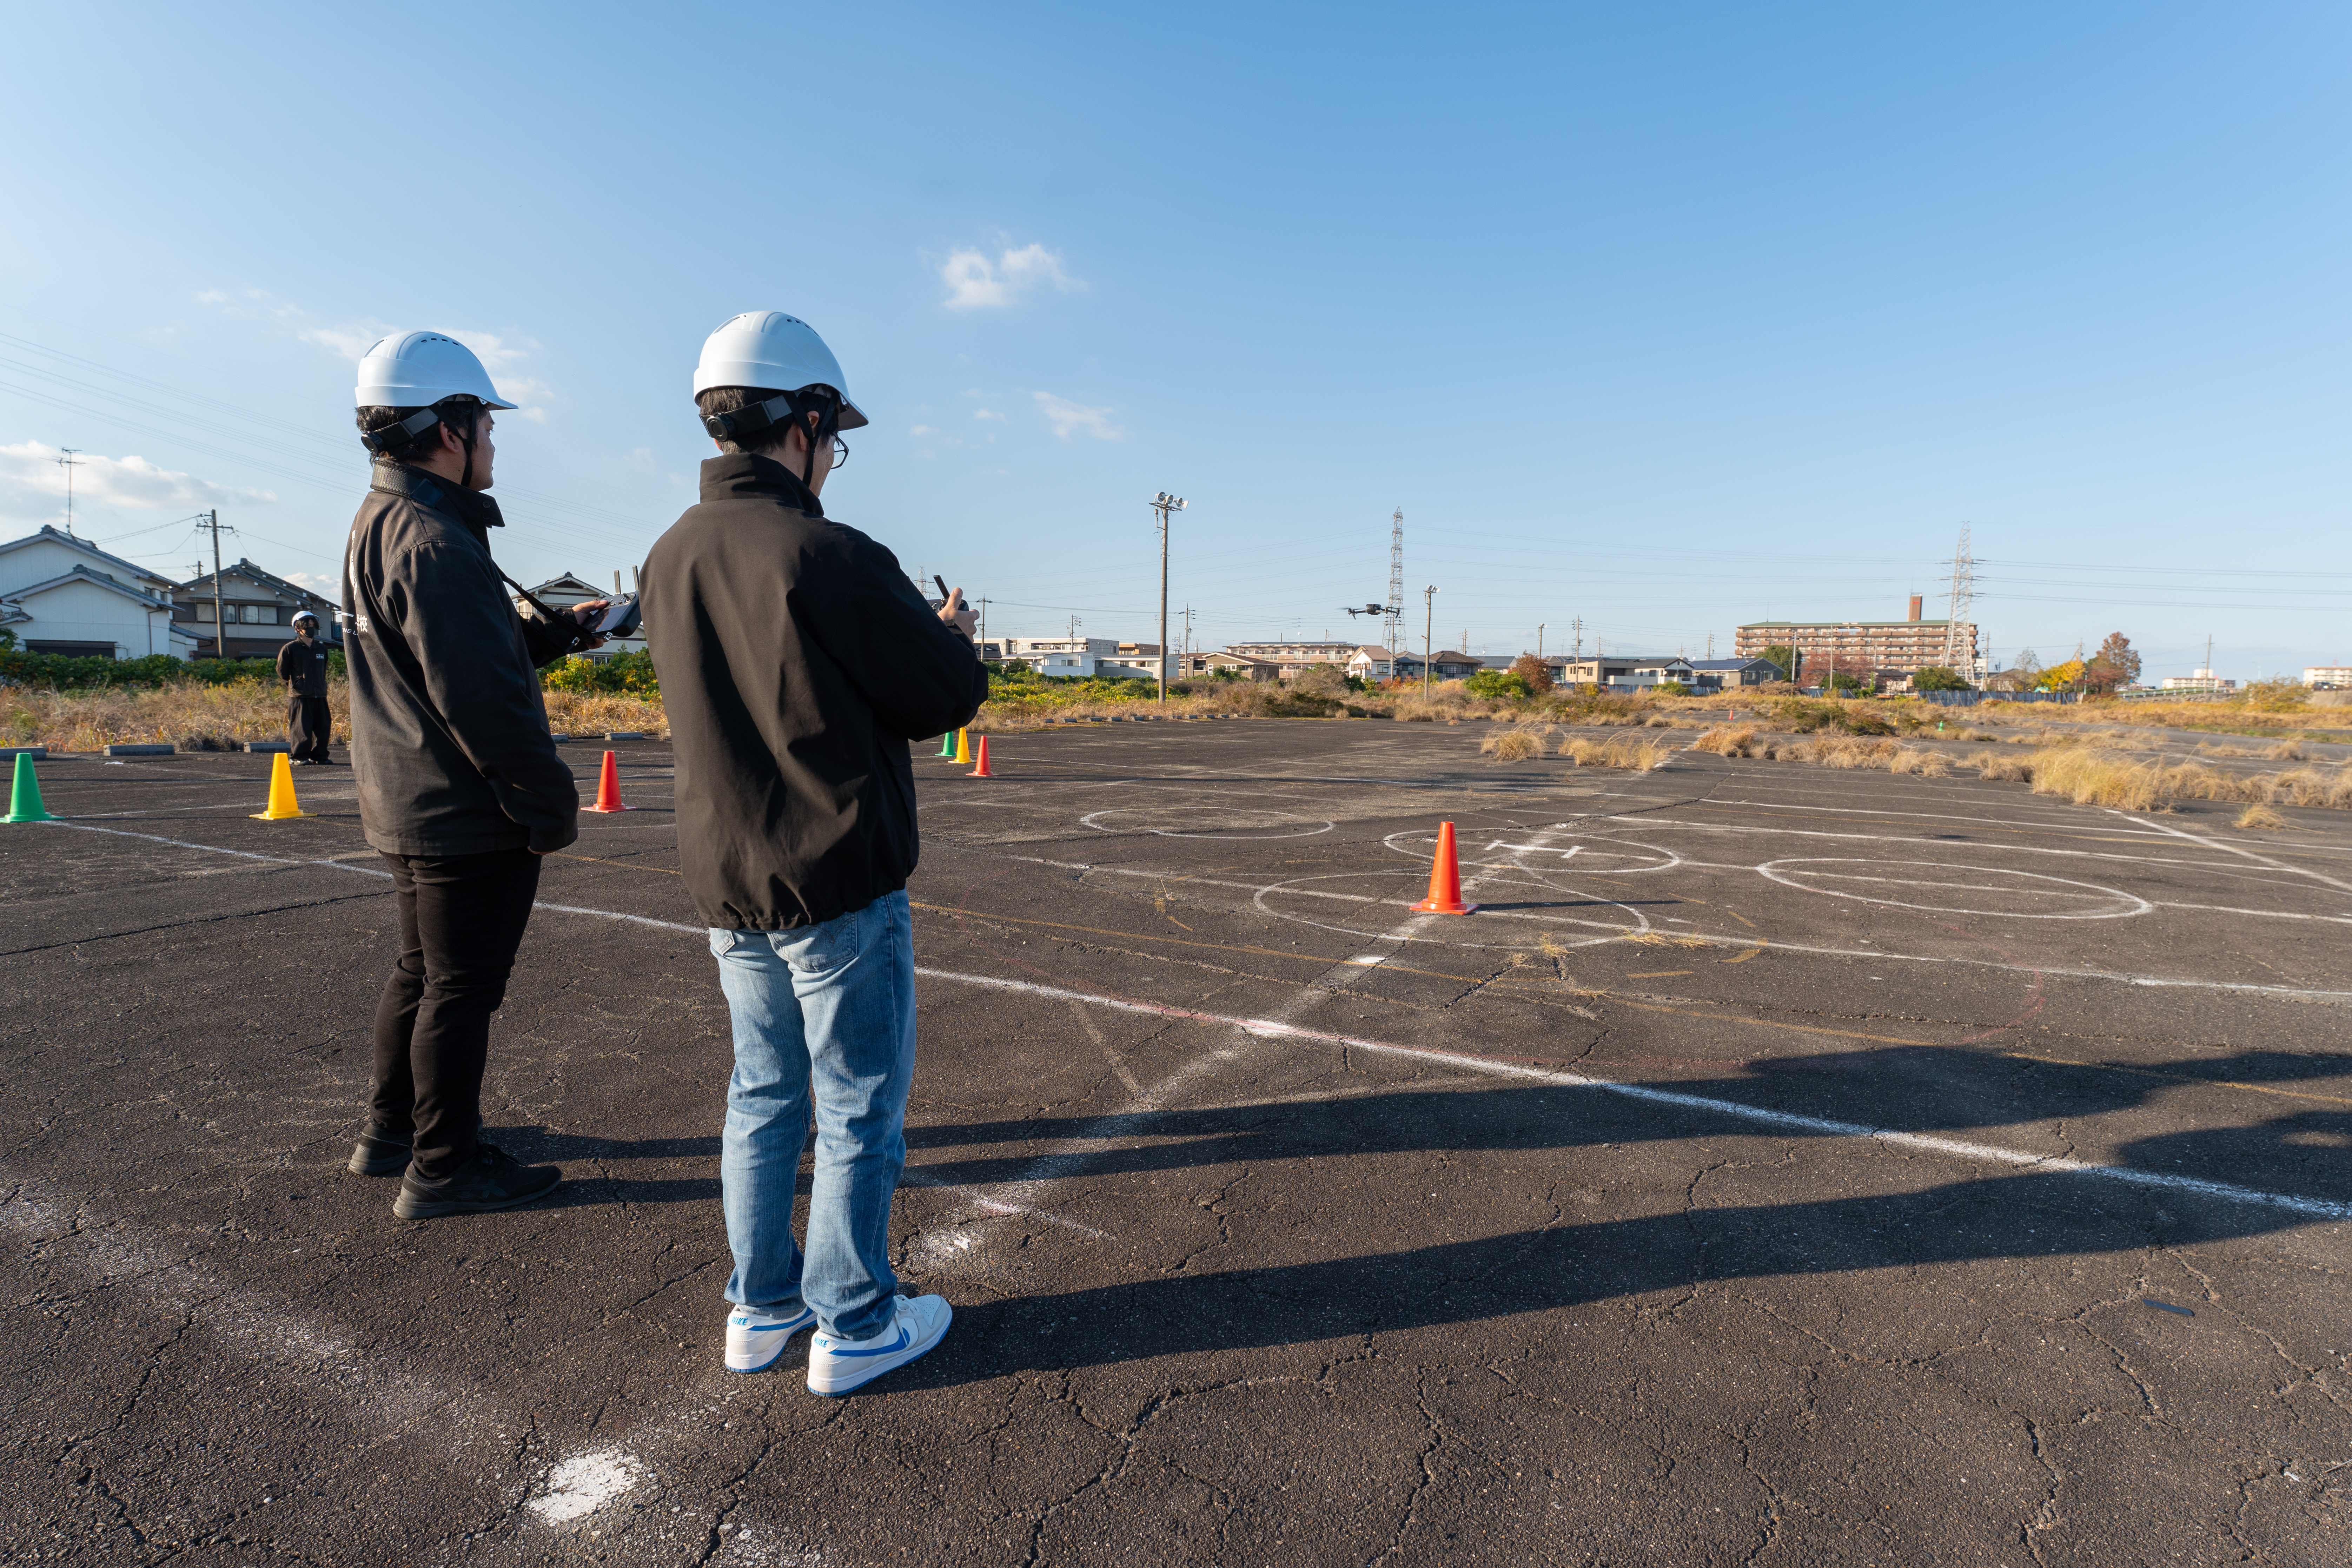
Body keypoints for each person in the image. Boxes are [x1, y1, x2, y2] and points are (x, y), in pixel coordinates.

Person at [642, 311, 986, 1396]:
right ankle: (855, 1318)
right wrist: (953, 633)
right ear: (809, 420)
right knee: (855, 1103)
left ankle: (762, 1302)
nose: (833, 456)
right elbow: (945, 693)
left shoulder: (669, 555)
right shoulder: (828, 553)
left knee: (762, 1093)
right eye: (834, 435)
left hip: (727, 878)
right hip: (834, 875)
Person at [339, 330, 610, 1220]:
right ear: (449, 429)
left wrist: (558, 631)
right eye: (485, 421)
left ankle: (391, 1134)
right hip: (462, 809)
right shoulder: (434, 541)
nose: (493, 440)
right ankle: (446, 1166)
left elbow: (449, 656)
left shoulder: (383, 521)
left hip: (406, 799)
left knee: (420, 975)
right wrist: (548, 805)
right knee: (459, 991)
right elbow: (482, 698)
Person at [277, 609, 335, 764]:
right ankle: (299, 757)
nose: (311, 629)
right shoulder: (290, 649)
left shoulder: (322, 649)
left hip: (320, 694)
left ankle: (320, 756)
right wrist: (295, 685)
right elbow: (282, 671)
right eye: (307, 626)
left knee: (323, 727)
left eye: (312, 625)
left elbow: (324, 670)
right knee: (301, 728)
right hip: (300, 696)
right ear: (298, 629)